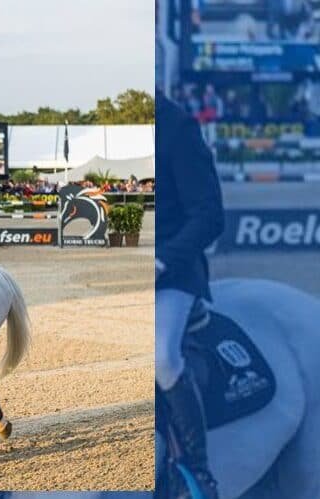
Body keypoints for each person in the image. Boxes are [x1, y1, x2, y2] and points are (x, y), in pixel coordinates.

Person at [155, 90, 224, 499]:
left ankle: (198, 472)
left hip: (173, 273)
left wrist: (162, 260)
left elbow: (210, 216)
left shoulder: (177, 127)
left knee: (162, 356)